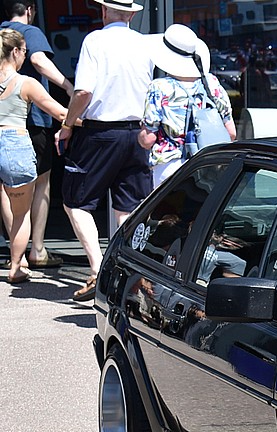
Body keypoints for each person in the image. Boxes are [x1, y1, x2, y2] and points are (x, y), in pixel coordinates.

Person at [56, 0, 153, 302]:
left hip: (101, 132)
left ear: (103, 11)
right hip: (137, 133)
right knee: (128, 209)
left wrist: (67, 124)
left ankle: (99, 269)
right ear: (132, 14)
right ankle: (130, 275)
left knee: (75, 201)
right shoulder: (144, 44)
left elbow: (84, 91)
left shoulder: (95, 40)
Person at [0, 2, 72, 269]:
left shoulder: (2, 33)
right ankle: (37, 249)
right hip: (32, 122)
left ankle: (15, 252)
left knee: (5, 189)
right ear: (30, 9)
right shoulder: (29, 32)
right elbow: (39, 61)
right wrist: (68, 86)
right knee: (41, 182)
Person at [140, 24, 235, 187]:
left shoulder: (160, 87)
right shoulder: (211, 83)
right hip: (209, 165)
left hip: (170, 169)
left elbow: (148, 139)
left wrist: (139, 134)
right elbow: (231, 133)